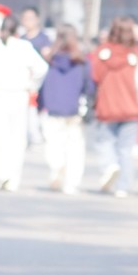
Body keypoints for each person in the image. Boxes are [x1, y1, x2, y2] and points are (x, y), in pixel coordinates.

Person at [0, 7, 48, 192]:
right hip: (17, 95)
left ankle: (0, 176)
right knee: (16, 138)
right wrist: (32, 85)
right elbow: (42, 69)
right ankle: (12, 178)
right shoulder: (24, 46)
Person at [91, 16, 138, 198]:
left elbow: (96, 76)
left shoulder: (103, 51)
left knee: (105, 143)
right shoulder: (135, 53)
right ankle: (123, 186)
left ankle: (109, 166)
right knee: (126, 150)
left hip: (108, 107)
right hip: (131, 107)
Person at [37, 25, 91, 194]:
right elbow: (88, 87)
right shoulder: (82, 62)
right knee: (75, 147)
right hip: (74, 109)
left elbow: (42, 85)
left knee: (54, 144)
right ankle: (72, 182)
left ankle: (57, 168)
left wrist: (41, 105)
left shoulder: (49, 61)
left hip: (53, 108)